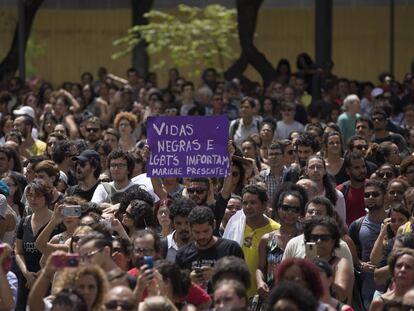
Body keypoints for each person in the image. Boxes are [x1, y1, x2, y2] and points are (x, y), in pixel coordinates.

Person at [223, 184, 280, 297]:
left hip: (263, 294)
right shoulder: (235, 225)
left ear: (264, 205)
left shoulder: (276, 230)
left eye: (253, 202)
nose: (248, 207)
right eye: (245, 203)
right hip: (235, 294)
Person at [176, 206, 244, 292]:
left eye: (206, 231)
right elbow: (176, 290)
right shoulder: (182, 254)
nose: (201, 236)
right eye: (197, 232)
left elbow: (243, 281)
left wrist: (216, 276)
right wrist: (188, 281)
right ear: (189, 228)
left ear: (214, 225)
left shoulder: (231, 249)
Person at [256, 189, 305, 299]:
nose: (290, 212)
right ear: (278, 209)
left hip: (298, 298)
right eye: (285, 208)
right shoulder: (266, 239)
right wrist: (260, 282)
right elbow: (260, 268)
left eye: (295, 209)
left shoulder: (305, 239)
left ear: (301, 213)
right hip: (272, 296)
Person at [15, 180, 56, 310]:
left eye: (37, 196)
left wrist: (40, 274)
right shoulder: (24, 222)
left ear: (47, 197)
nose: (33, 199)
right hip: (26, 280)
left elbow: (60, 255)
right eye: (30, 195)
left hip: (48, 279)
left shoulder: (56, 223)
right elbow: (18, 251)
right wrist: (27, 274)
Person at [349, 178, 387, 310]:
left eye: (375, 194)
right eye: (367, 195)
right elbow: (351, 256)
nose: (371, 197)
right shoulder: (356, 226)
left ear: (385, 197)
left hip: (392, 289)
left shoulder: (395, 222)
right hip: (366, 290)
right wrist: (360, 264)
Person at [303, 216, 354, 303]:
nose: (319, 241)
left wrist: (320, 274)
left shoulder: (341, 263)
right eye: (314, 238)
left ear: (333, 241)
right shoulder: (304, 263)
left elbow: (341, 294)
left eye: (324, 238)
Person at [305, 155, 346, 224]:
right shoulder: (301, 194)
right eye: (312, 167)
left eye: (319, 167)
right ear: (306, 171)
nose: (315, 170)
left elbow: (341, 223)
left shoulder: (337, 195)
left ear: (325, 171)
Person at [336, 151, 368, 226]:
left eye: (363, 166)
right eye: (357, 168)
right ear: (348, 171)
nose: (362, 170)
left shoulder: (374, 187)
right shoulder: (340, 191)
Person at [165, 197, 195, 262]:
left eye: (187, 223)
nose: (183, 227)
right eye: (178, 223)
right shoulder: (164, 246)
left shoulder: (202, 243)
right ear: (172, 223)